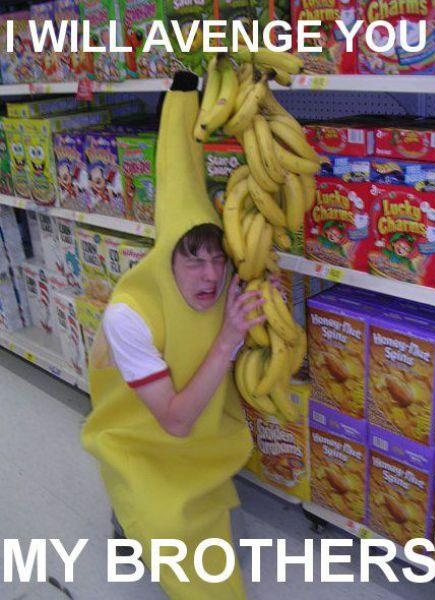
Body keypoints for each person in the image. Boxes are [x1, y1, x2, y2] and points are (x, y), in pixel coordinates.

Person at [81, 72, 265, 599]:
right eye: (193, 259)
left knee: (204, 536)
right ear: (167, 258)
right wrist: (229, 338)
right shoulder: (129, 314)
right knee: (156, 519)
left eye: (218, 259)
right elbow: (176, 421)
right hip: (140, 436)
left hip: (201, 443)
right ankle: (125, 510)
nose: (210, 276)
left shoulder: (223, 285)